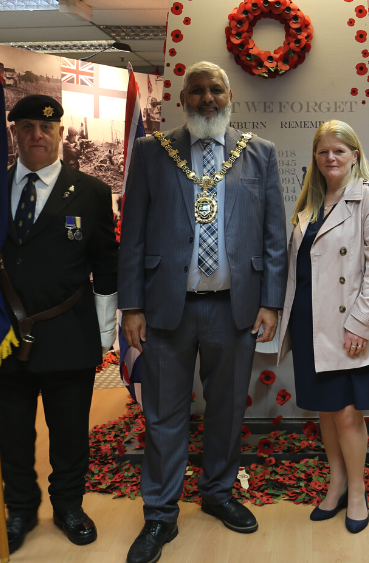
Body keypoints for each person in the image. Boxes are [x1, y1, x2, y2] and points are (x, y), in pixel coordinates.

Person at [119, 61, 286, 563]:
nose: (207, 99)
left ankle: (217, 495)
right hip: (166, 309)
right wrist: (131, 304)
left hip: (233, 310)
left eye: (216, 90)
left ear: (230, 95)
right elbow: (134, 234)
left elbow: (274, 236)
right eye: (197, 91)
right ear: (182, 98)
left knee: (227, 411)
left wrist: (271, 301)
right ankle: (160, 516)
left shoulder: (259, 153)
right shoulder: (153, 152)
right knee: (163, 415)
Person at [0, 94, 119, 557]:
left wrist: (107, 328)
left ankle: (68, 506)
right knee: (11, 434)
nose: (37, 135)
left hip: (69, 333)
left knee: (69, 433)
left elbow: (106, 263)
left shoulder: (90, 191)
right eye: (26, 127)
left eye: (47, 128)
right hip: (3, 334)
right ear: (14, 134)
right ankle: (21, 509)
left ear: (62, 133)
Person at [276, 120, 369, 534]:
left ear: (355, 155)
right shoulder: (310, 201)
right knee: (327, 411)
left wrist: (361, 323)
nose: (331, 158)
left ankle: (358, 491)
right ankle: (337, 483)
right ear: (316, 156)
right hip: (310, 321)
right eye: (324, 151)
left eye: (339, 151)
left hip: (348, 323)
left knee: (347, 413)